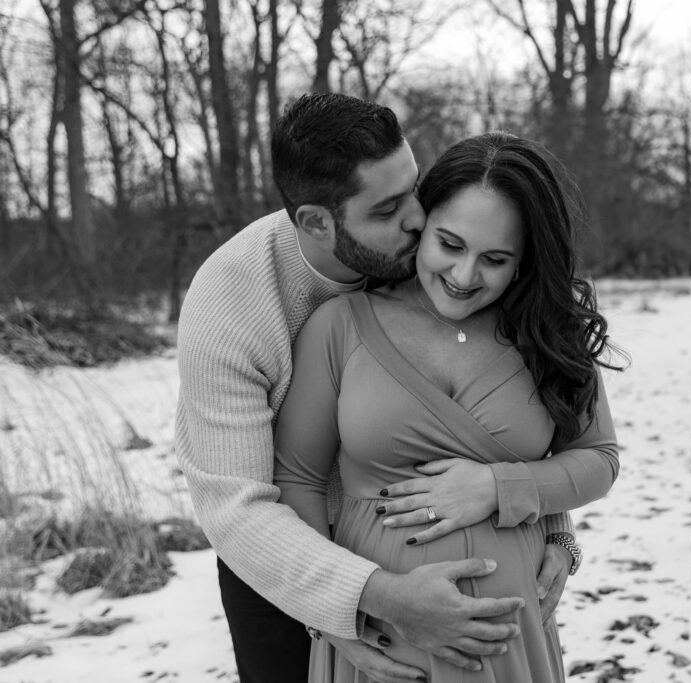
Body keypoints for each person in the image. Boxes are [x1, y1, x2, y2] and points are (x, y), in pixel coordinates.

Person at [175, 94, 579, 683]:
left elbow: (505, 400)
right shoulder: (230, 307)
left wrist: (552, 526)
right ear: (317, 222)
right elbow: (238, 508)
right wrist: (349, 614)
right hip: (286, 564)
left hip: (449, 559)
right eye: (389, 208)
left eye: (414, 189)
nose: (418, 219)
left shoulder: (426, 255)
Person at [274, 131, 621, 682]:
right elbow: (296, 479)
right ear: (421, 221)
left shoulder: (548, 334)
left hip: (510, 646)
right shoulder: (339, 328)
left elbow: (598, 458)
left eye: (496, 259)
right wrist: (333, 616)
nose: (464, 277)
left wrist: (501, 488)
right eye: (450, 245)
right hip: (381, 640)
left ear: (525, 260)